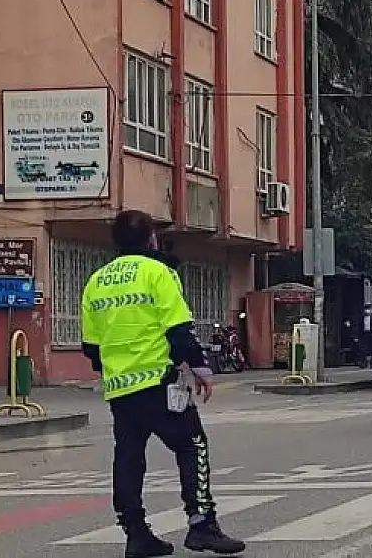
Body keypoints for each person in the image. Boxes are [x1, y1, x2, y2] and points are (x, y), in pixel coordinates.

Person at [81, 210, 245, 558]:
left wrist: (114, 368)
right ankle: (201, 523)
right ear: (151, 239)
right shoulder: (159, 272)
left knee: (128, 457)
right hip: (157, 381)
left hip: (120, 388)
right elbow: (178, 329)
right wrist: (200, 368)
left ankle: (136, 533)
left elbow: (91, 348)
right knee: (193, 444)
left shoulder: (97, 281)